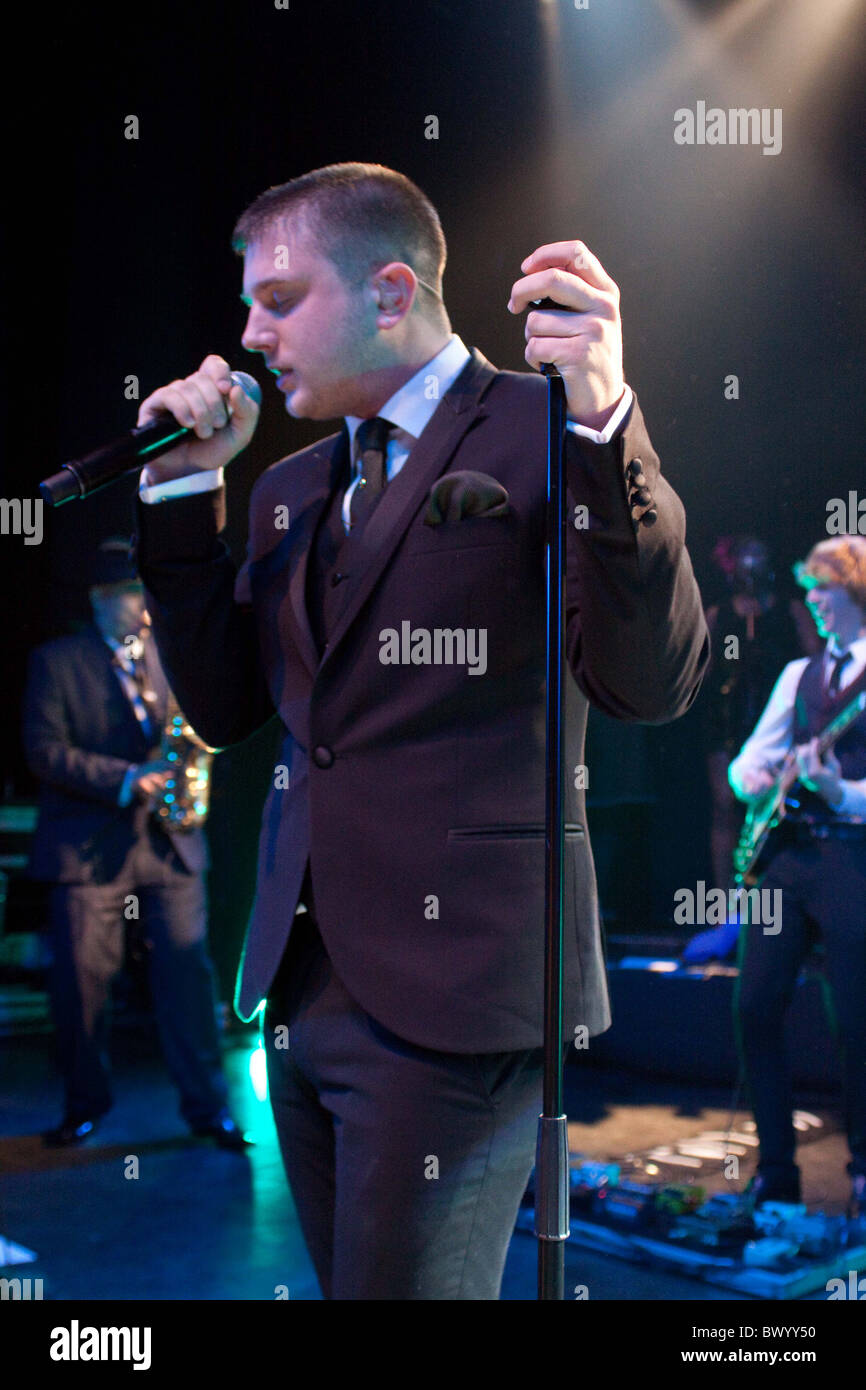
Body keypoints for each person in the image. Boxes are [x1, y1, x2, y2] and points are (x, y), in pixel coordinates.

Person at [132, 162, 709, 1298]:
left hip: (459, 992)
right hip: (303, 986)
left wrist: (600, 419)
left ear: (391, 291)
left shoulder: (543, 429)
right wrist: (179, 496)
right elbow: (225, 708)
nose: (249, 334)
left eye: (279, 299)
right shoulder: (288, 487)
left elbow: (652, 682)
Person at [23, 538, 248, 1150]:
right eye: (131, 594)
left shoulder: (166, 652)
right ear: (101, 598)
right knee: (82, 985)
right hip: (89, 848)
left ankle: (209, 1110)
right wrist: (122, 778)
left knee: (189, 982)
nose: (145, 606)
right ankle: (84, 1105)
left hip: (170, 842)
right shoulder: (57, 661)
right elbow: (42, 750)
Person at [728, 535, 866, 1212]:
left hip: (854, 853)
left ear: (855, 593)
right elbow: (747, 761)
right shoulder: (797, 674)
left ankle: (864, 1168)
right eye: (809, 587)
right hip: (788, 855)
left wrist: (842, 793)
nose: (811, 600)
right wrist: (760, 776)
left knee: (860, 1020)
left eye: (823, 588)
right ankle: (774, 1170)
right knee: (753, 1006)